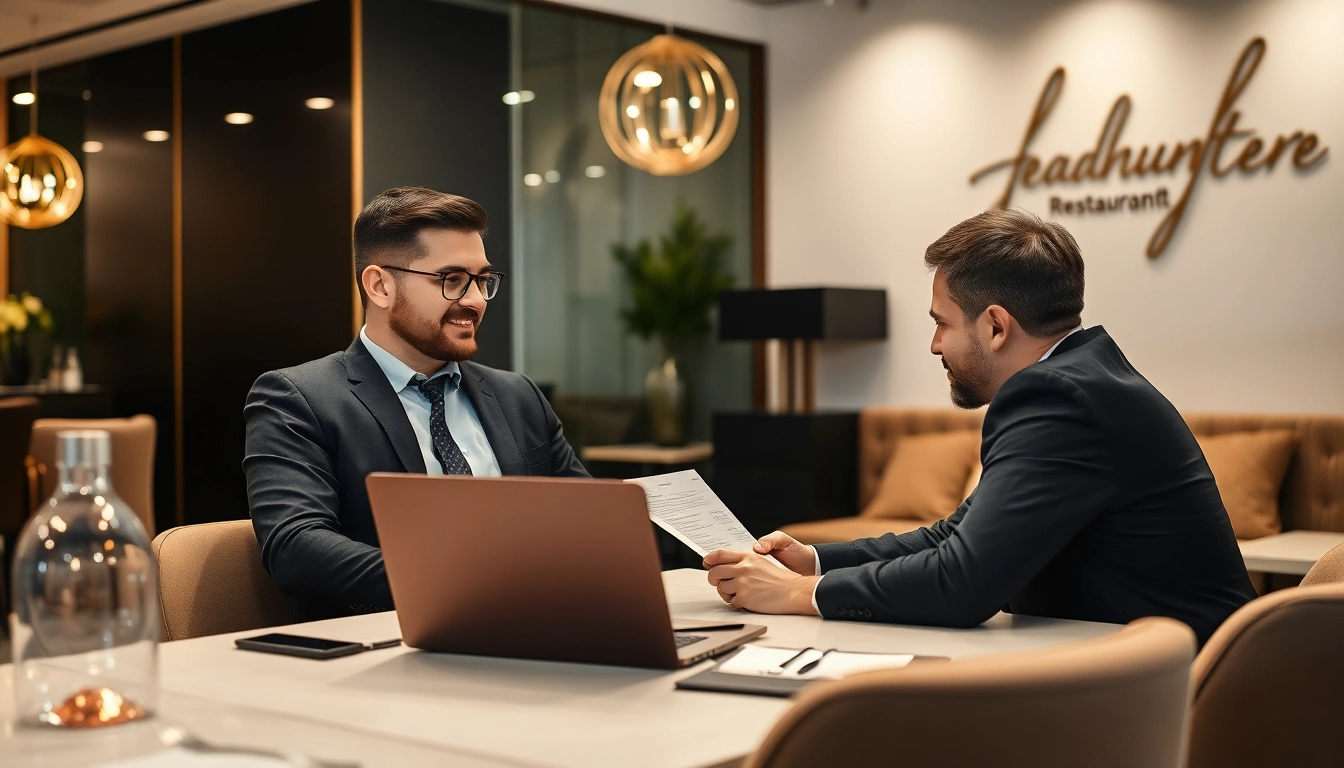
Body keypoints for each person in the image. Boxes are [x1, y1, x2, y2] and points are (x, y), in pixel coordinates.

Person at [704, 208, 1255, 646]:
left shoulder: (1059, 398)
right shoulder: (1083, 381)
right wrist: (816, 558)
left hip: (1181, 694)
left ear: (995, 325)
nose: (934, 344)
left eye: (942, 323)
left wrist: (801, 592)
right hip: (1165, 670)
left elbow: (962, 586)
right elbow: (957, 536)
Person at [245, 187, 588, 621]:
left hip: (540, 634)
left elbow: (589, 522)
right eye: (452, 280)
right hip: (389, 654)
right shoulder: (297, 398)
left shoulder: (518, 396)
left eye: (483, 280)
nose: (476, 300)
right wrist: (463, 581)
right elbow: (295, 547)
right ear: (381, 286)